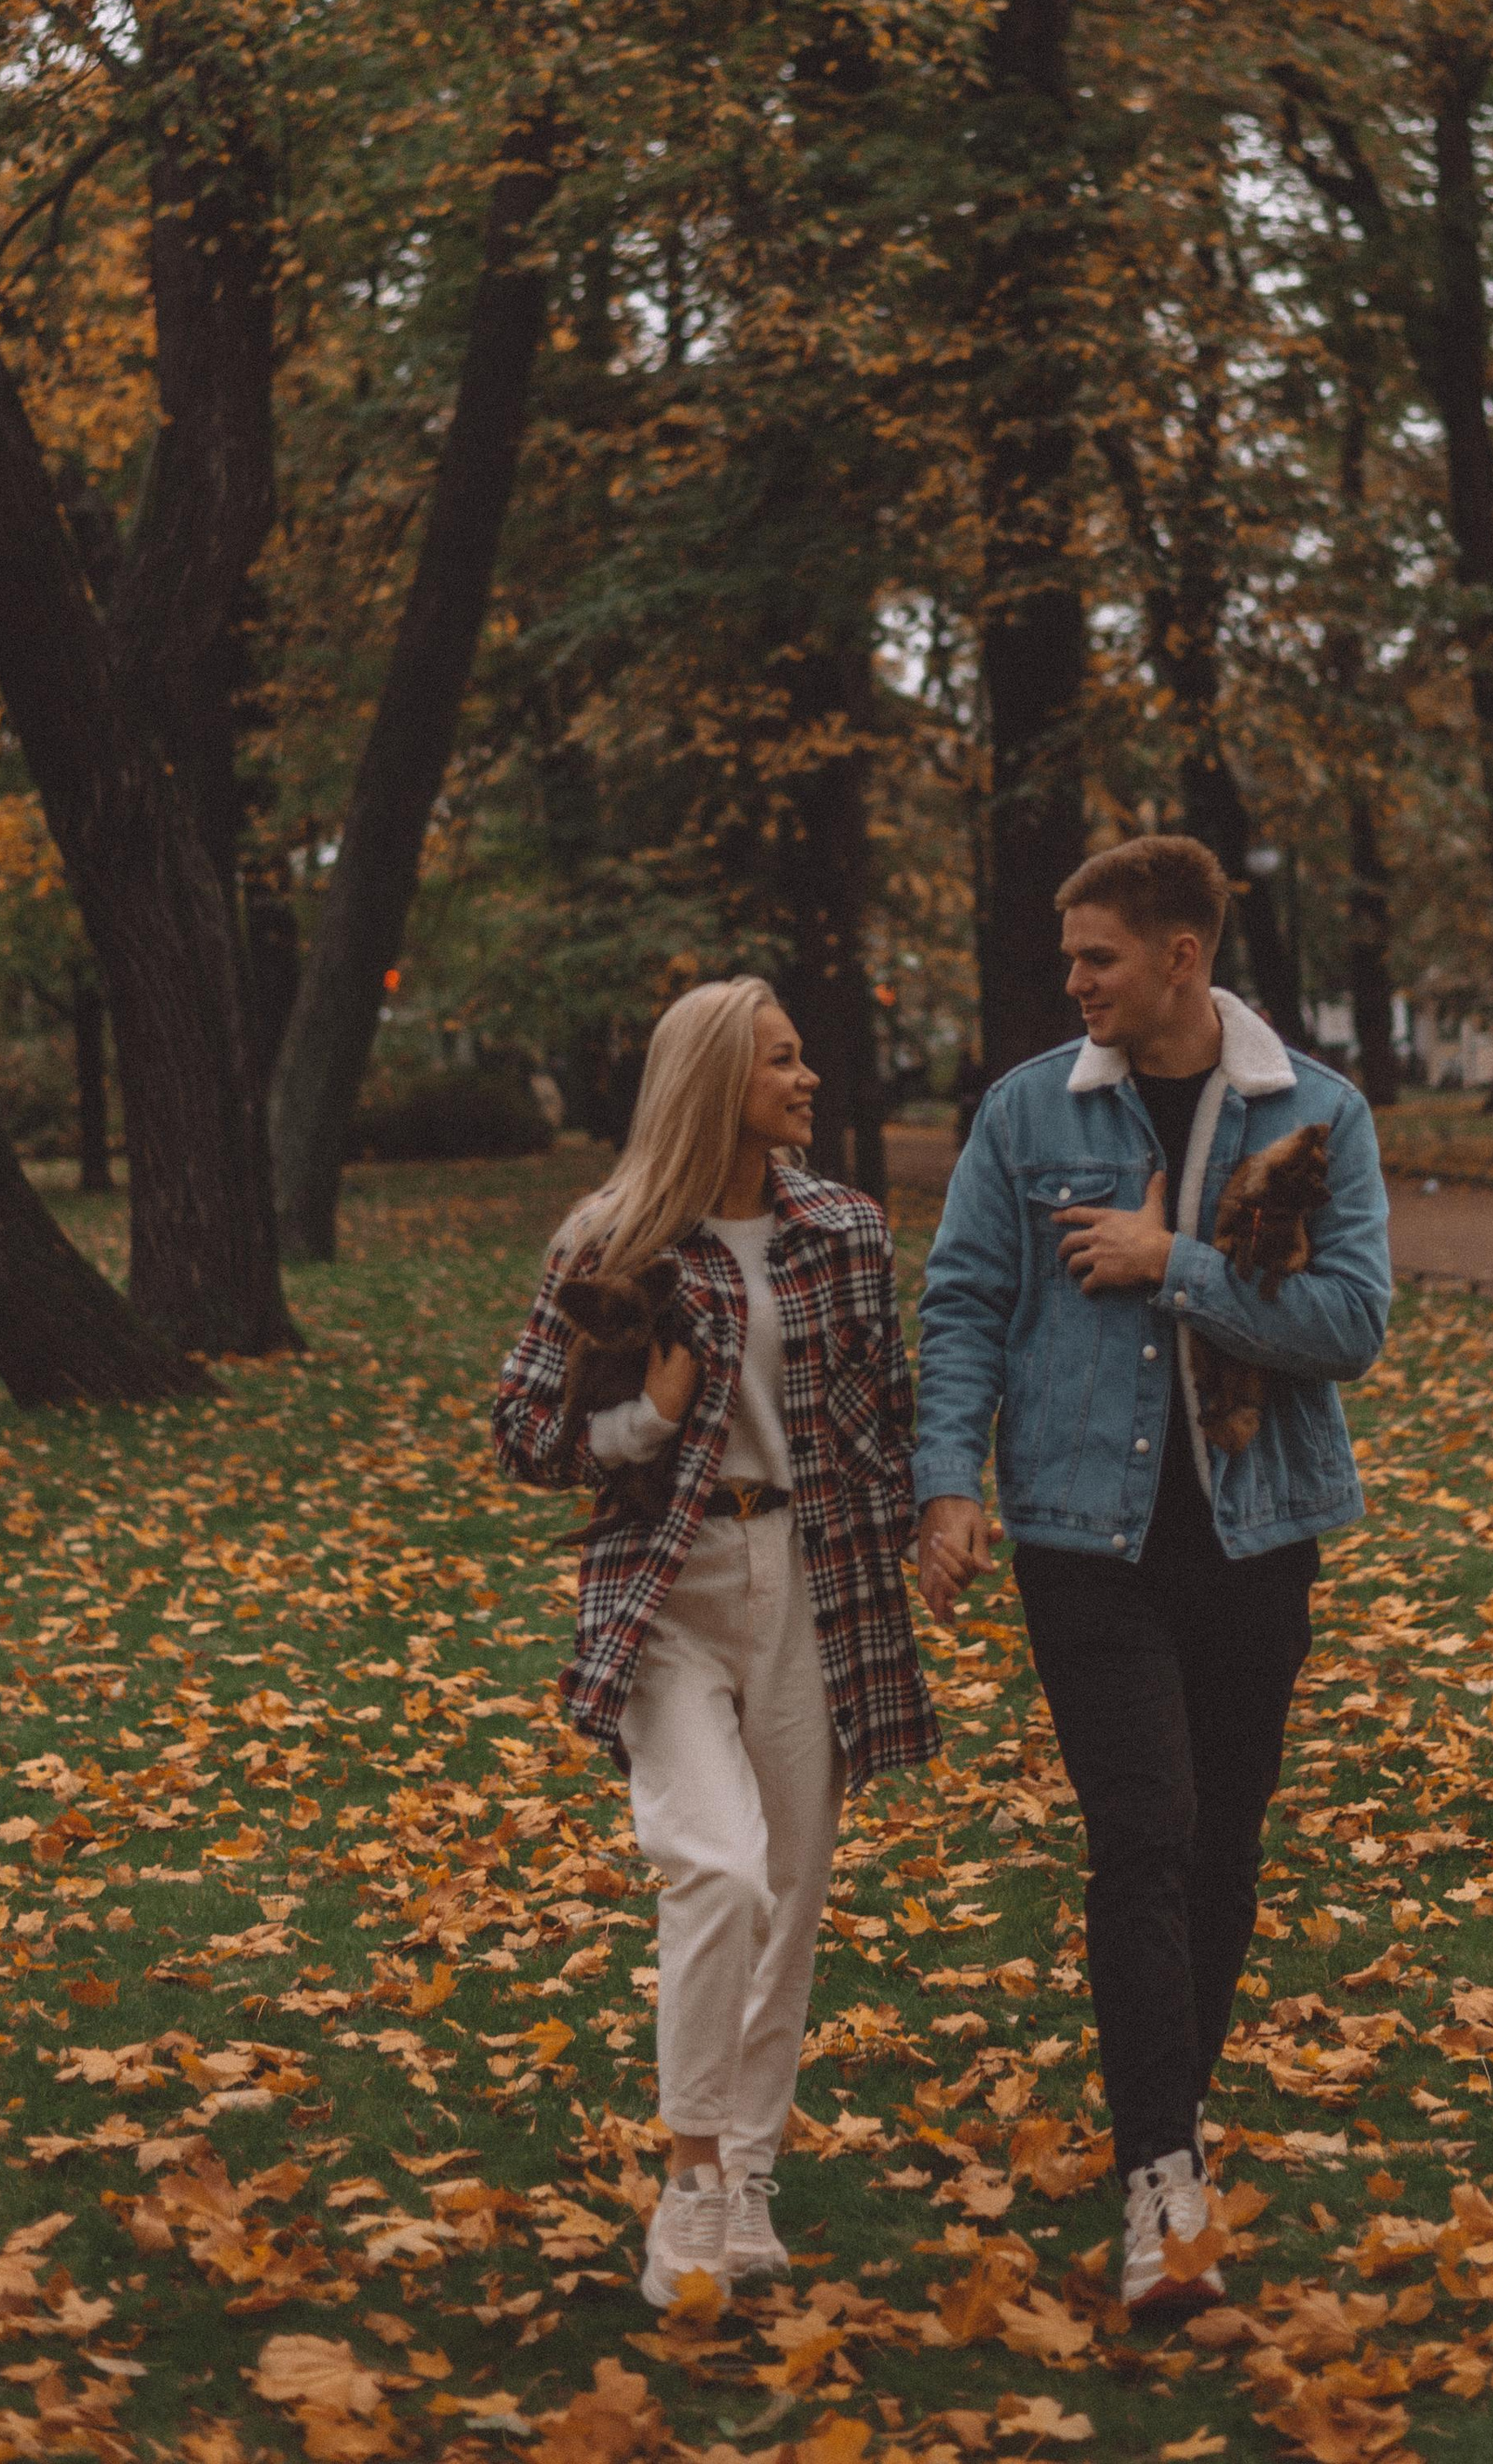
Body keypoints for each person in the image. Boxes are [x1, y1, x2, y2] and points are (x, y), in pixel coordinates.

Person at [912, 837, 1389, 2319]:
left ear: (1181, 957)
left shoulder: (1316, 1113)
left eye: (1097, 957)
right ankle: (1161, 2183)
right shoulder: (1023, 1113)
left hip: (1256, 1537)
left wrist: (1173, 1259)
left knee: (1225, 1851)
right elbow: (967, 1302)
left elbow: (1352, 1323)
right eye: (1070, 959)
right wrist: (947, 1484)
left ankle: (1169, 2115)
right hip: (1081, 1538)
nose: (1074, 984)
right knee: (1145, 1835)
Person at [493, 978, 938, 2310]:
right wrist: (640, 1423)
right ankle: (689, 2179)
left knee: (792, 1889)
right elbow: (520, 1433)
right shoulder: (614, 1238)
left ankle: (748, 2172)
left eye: (805, 1058)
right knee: (719, 1867)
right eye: (783, 1060)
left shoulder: (845, 1228)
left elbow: (887, 1410)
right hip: (670, 1586)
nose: (809, 1079)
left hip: (813, 1579)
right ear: (713, 1080)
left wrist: (936, 1521)